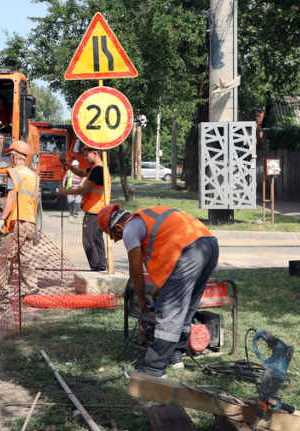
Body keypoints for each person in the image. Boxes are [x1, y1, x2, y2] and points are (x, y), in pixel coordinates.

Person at [98, 204, 220, 378]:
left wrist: (141, 299)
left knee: (169, 310)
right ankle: (176, 355)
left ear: (118, 227)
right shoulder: (150, 215)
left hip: (189, 251)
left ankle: (153, 369)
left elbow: (135, 271)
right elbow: (171, 246)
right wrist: (160, 286)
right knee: (186, 307)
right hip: (208, 245)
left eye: (116, 237)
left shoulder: (130, 228)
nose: (120, 240)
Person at [0, 140, 40, 310]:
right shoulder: (34, 175)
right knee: (25, 258)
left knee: (4, 259)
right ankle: (31, 292)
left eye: (10, 156)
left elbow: (10, 198)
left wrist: (2, 219)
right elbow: (34, 202)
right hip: (29, 223)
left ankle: (1, 298)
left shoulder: (13, 173)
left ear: (13, 156)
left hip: (15, 222)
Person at [57, 147, 107, 272]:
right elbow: (80, 173)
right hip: (100, 210)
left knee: (88, 240)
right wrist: (67, 164)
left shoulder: (98, 170)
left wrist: (65, 192)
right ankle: (101, 265)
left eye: (86, 155)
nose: (85, 157)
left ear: (95, 153)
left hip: (94, 210)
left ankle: (96, 266)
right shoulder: (98, 168)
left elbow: (85, 189)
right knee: (97, 239)